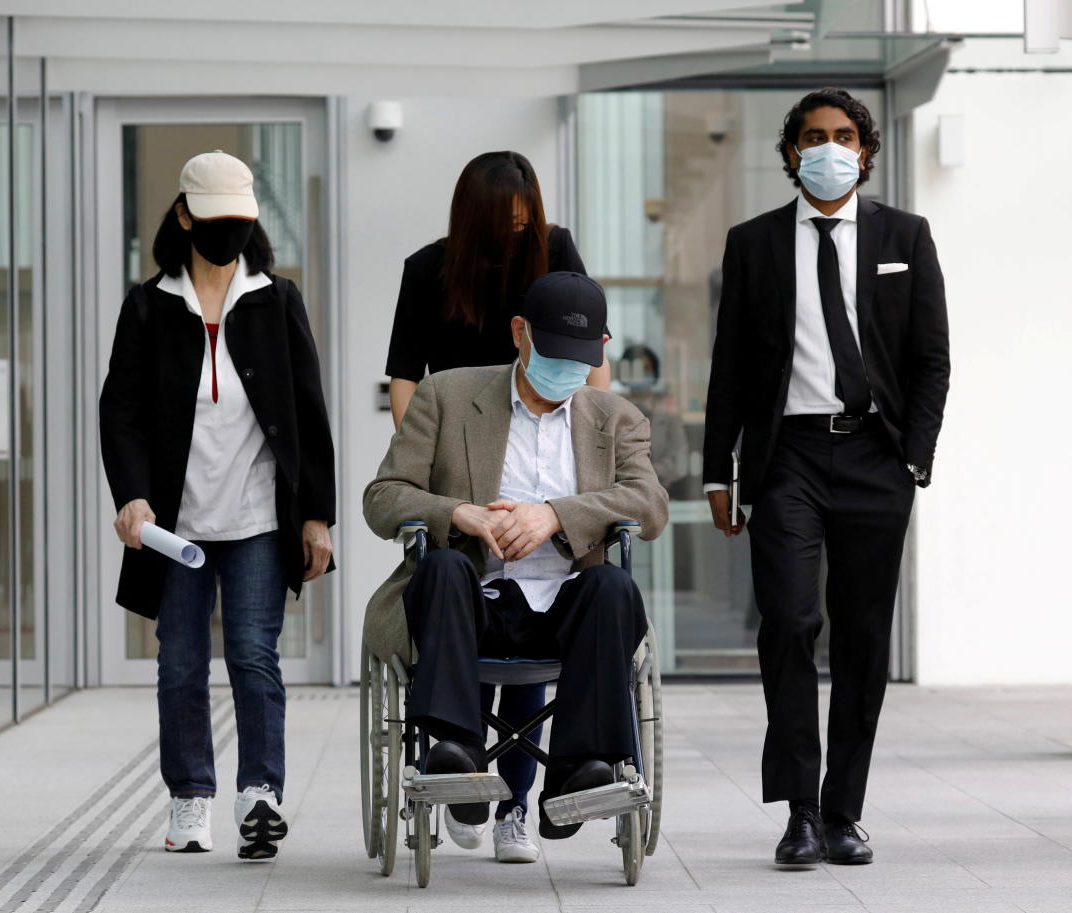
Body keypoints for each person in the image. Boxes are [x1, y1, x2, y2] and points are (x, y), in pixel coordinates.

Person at [703, 89, 949, 866]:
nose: (829, 148)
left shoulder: (906, 234)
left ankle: (845, 811)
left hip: (877, 456)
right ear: (790, 154)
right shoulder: (753, 243)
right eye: (813, 137)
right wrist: (720, 471)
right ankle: (800, 812)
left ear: (867, 151)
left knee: (865, 637)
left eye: (844, 136)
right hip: (790, 459)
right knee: (789, 621)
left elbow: (931, 357)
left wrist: (915, 454)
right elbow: (732, 369)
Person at [364, 271, 668, 848]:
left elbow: (649, 505)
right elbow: (382, 498)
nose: (565, 371)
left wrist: (556, 514)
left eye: (580, 358)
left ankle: (577, 775)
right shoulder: (447, 396)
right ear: (519, 333)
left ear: (602, 349)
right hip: (473, 600)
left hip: (566, 611)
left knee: (613, 588)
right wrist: (461, 514)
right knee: (444, 567)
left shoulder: (616, 417)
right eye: (553, 353)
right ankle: (456, 759)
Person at [99, 150, 336, 861]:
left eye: (239, 221)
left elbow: (307, 413)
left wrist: (315, 514)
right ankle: (190, 797)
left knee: (254, 656)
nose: (228, 233)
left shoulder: (277, 299)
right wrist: (133, 497)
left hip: (259, 516)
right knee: (179, 662)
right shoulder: (148, 306)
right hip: (175, 528)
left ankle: (259, 794)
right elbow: (123, 414)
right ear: (184, 217)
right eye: (215, 221)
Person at [385, 150, 608, 863]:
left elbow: (589, 363)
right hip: (461, 468)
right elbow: (404, 382)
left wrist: (579, 469)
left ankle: (516, 800)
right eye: (501, 228)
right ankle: (462, 769)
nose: (514, 239)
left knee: (540, 599)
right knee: (465, 595)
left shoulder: (556, 251)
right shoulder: (428, 269)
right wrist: (435, 474)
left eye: (524, 225)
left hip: (546, 462)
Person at [616, 344, 689, 488]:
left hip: (663, 491)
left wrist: (643, 472)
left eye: (645, 369)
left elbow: (679, 463)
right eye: (633, 369)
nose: (639, 374)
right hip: (620, 492)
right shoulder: (613, 409)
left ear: (655, 373)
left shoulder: (670, 414)